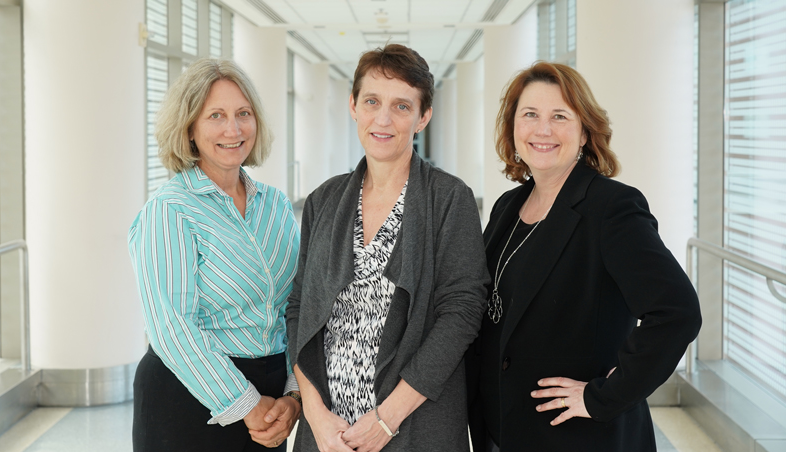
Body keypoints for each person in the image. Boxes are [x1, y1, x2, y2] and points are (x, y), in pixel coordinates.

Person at [466, 62, 702, 451]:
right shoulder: (509, 206)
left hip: (578, 436)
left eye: (559, 116)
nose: (543, 130)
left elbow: (677, 312)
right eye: (530, 115)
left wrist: (602, 396)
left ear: (584, 132)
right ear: (513, 127)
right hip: (504, 431)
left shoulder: (611, 208)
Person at [285, 44, 490, 452]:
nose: (383, 119)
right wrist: (314, 414)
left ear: (422, 117)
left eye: (401, 106)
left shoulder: (449, 199)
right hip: (329, 433)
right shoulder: (324, 201)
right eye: (372, 101)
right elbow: (297, 309)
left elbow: (462, 313)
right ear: (353, 106)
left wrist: (386, 419)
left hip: (412, 425)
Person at [128, 58, 301, 452]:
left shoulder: (275, 205)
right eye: (216, 116)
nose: (233, 129)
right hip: (189, 398)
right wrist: (247, 404)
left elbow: (297, 304)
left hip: (272, 402)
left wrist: (293, 394)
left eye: (243, 114)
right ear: (189, 128)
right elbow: (172, 328)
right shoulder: (170, 210)